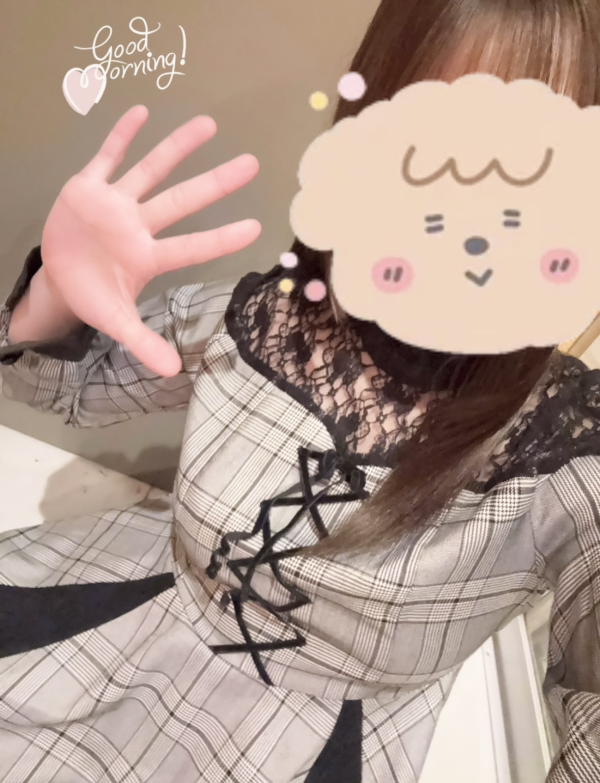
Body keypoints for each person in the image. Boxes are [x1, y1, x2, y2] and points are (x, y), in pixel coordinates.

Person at [1, 0, 600, 781]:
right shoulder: (269, 316)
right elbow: (69, 389)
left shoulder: (561, 455)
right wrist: (54, 299)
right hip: (86, 636)